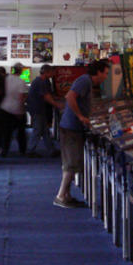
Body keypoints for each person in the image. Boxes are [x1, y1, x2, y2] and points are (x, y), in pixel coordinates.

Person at [54, 60, 109, 208]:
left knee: (72, 163)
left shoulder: (87, 82)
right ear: (98, 72)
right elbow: (70, 97)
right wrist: (80, 116)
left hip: (73, 127)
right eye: (105, 73)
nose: (106, 76)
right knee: (71, 164)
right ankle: (60, 196)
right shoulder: (84, 81)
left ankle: (67, 195)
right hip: (71, 127)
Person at [26, 64, 61, 157]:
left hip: (38, 108)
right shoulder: (41, 82)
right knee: (38, 130)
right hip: (37, 109)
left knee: (45, 131)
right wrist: (57, 104)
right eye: (52, 72)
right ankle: (30, 150)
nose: (53, 74)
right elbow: (46, 96)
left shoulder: (40, 81)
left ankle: (51, 149)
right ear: (47, 72)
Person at [0, 63, 28, 156]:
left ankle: (4, 151)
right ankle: (22, 151)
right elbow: (21, 98)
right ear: (21, 70)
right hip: (16, 110)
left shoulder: (6, 79)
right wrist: (20, 110)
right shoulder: (21, 82)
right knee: (21, 132)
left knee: (6, 132)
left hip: (4, 108)